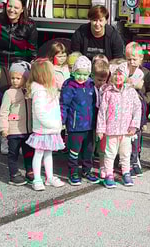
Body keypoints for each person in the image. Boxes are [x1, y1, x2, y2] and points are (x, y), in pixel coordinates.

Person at [96, 62, 142, 189]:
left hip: (126, 130)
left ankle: (126, 173)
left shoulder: (131, 92)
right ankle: (109, 174)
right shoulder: (108, 92)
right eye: (115, 74)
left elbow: (137, 109)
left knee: (125, 153)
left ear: (126, 76)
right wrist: (100, 129)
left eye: (121, 74)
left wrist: (134, 125)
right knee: (110, 153)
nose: (118, 77)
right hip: (111, 130)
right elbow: (102, 112)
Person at [26, 59, 66, 191]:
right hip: (43, 129)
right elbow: (40, 113)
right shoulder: (39, 91)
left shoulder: (49, 89)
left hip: (51, 128)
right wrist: (53, 124)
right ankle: (37, 179)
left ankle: (49, 177)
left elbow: (55, 108)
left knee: (48, 154)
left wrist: (58, 123)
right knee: (38, 154)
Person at [60, 56, 99, 185]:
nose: (81, 77)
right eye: (79, 74)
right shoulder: (69, 86)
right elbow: (64, 104)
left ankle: (87, 171)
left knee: (88, 150)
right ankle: (73, 172)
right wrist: (62, 120)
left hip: (89, 124)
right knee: (74, 150)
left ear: (89, 74)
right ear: (73, 72)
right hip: (75, 125)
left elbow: (95, 103)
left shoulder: (91, 85)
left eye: (85, 75)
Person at [0, 61, 35, 186]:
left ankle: (29, 170)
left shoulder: (29, 91)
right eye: (13, 78)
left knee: (29, 152)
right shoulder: (9, 93)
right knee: (13, 153)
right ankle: (13, 174)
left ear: (25, 78)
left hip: (28, 130)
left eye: (18, 78)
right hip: (13, 130)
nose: (15, 81)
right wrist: (4, 128)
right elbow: (3, 112)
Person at [124, 42, 150, 177]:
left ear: (141, 59)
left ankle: (136, 157)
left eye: (134, 59)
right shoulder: (122, 71)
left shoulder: (146, 73)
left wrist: (145, 101)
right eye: (129, 59)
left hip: (140, 108)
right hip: (125, 109)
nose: (132, 62)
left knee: (138, 134)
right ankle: (125, 159)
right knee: (126, 134)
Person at [90, 59, 110, 177]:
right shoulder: (90, 87)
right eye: (99, 80)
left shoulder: (107, 89)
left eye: (104, 80)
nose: (101, 82)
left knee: (103, 144)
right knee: (91, 142)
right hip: (92, 118)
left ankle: (102, 164)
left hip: (103, 120)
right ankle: (89, 162)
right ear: (92, 76)